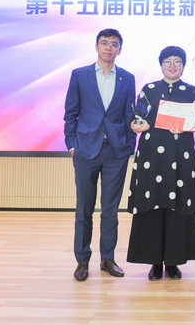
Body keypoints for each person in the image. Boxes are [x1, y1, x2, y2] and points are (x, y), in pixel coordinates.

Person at [126, 46, 195, 281]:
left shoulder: (192, 91)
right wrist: (137, 125)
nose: (172, 65)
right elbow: (136, 118)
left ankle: (173, 262)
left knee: (177, 206)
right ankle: (154, 262)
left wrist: (189, 126)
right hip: (152, 157)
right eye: (167, 61)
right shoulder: (149, 89)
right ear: (161, 65)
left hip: (180, 156)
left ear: (183, 65)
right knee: (152, 204)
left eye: (177, 61)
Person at [64, 28, 136, 281]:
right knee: (84, 208)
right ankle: (82, 261)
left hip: (116, 152)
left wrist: (129, 145)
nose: (108, 47)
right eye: (104, 43)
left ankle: (108, 259)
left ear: (119, 50)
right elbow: (70, 113)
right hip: (86, 150)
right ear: (96, 46)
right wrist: (72, 144)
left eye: (113, 44)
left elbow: (129, 115)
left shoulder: (127, 78)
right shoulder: (79, 75)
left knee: (110, 209)